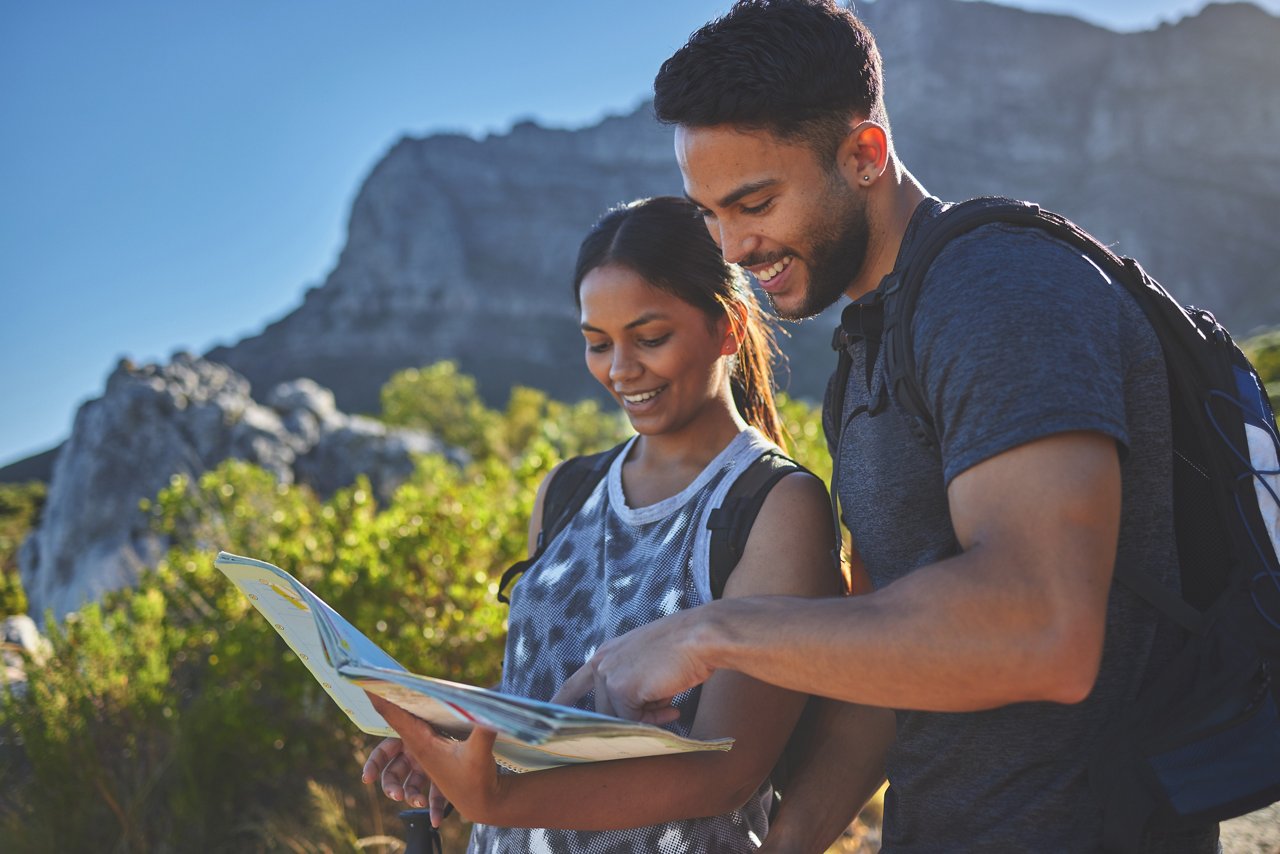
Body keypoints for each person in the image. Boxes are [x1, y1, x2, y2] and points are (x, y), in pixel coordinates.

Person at [551, 2, 1220, 851]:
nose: (733, 248)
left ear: (864, 154)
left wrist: (706, 634)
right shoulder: (869, 353)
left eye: (754, 202)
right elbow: (879, 677)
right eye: (710, 213)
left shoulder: (1000, 288)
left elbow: (1043, 630)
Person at [361, 195, 843, 852]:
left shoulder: (774, 505)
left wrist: (498, 794)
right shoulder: (567, 490)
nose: (620, 371)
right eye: (597, 343)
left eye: (650, 339)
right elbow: (546, 701)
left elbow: (726, 771)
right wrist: (457, 741)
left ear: (728, 327)